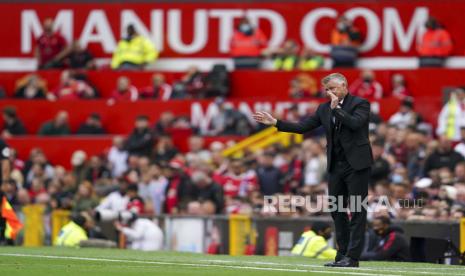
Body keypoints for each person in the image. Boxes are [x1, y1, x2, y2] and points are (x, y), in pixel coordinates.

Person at [253, 73, 373, 267]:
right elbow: (302, 127)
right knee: (337, 210)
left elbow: (356, 123)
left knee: (357, 210)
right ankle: (342, 255)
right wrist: (276, 123)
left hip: (357, 164)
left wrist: (337, 109)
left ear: (344, 85)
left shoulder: (360, 103)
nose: (330, 93)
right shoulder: (323, 109)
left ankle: (353, 257)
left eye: (333, 88)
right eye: (327, 90)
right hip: (336, 165)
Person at [0, 139, 11, 245]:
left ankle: (2, 236)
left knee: (1, 209)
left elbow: (5, 163)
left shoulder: (2, 144)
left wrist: (5, 181)